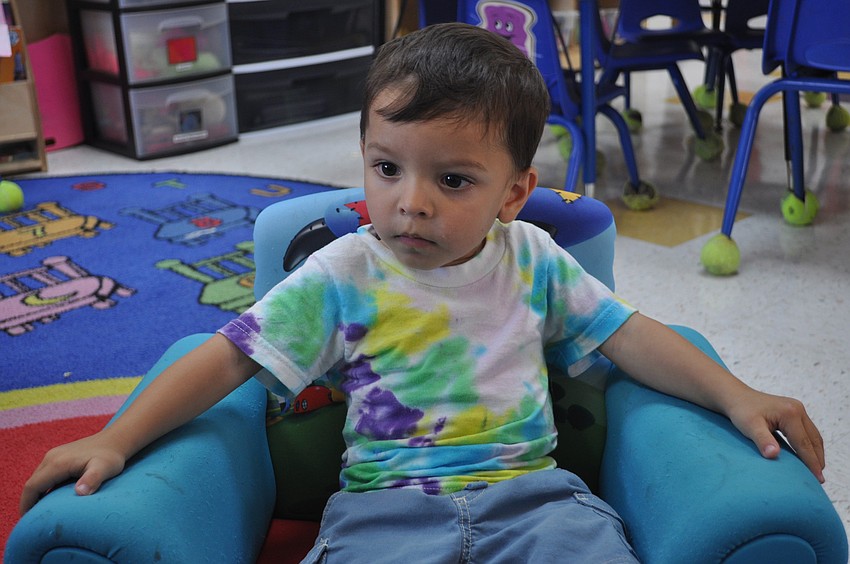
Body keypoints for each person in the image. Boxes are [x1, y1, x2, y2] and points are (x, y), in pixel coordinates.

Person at [21, 23, 825, 562]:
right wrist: (118, 437)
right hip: (382, 519)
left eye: (452, 178)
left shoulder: (534, 257)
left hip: (539, 507)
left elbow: (632, 336)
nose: (410, 201)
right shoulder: (342, 272)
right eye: (386, 167)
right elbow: (226, 360)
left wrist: (735, 394)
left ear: (513, 193)